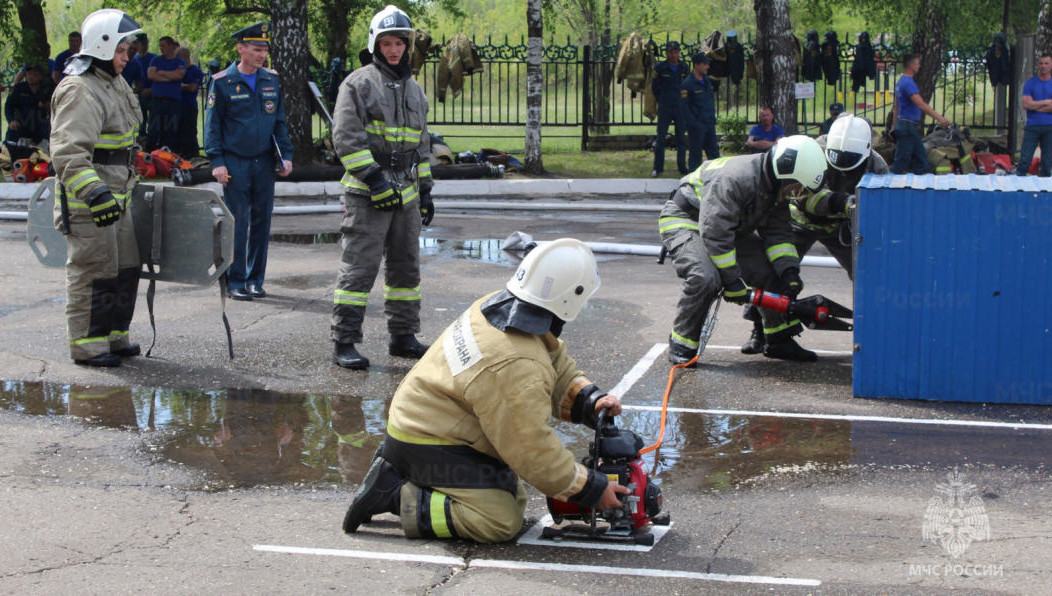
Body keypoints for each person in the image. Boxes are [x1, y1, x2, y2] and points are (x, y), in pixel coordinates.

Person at [342, 238, 631, 543]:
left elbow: (552, 356)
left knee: (512, 494)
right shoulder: (515, 362)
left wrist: (588, 399)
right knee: (499, 520)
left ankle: (407, 474)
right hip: (426, 439)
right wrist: (591, 489)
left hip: (429, 421)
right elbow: (531, 448)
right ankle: (396, 494)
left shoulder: (501, 307)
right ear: (572, 297)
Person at [659, 136, 827, 364]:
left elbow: (778, 234)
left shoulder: (775, 186)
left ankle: (778, 339)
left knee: (770, 273)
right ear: (786, 172)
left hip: (726, 228)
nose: (797, 192)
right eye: (797, 186)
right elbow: (714, 232)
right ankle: (682, 346)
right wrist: (732, 280)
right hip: (686, 219)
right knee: (705, 278)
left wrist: (789, 272)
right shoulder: (737, 178)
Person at [329, 5, 433, 370]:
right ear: (376, 43)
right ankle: (345, 340)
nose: (394, 50)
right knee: (359, 268)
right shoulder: (358, 84)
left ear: (407, 46)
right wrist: (373, 179)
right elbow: (346, 139)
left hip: (405, 193)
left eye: (399, 43)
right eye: (387, 43)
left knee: (406, 270)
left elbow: (421, 145)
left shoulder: (415, 90)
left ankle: (403, 336)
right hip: (366, 194)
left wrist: (425, 190)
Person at [740, 114, 887, 354]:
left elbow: (881, 205)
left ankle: (872, 334)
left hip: (841, 228)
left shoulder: (877, 166)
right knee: (771, 272)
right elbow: (804, 196)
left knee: (868, 274)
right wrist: (843, 202)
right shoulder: (812, 150)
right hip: (800, 221)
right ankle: (760, 331)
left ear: (866, 151)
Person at [49, 8, 144, 367]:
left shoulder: (111, 81)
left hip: (117, 198)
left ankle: (114, 337)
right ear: (102, 46)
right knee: (93, 271)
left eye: (128, 51)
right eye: (122, 51)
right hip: (91, 203)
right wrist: (94, 193)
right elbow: (69, 153)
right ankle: (89, 346)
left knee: (123, 269)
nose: (127, 58)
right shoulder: (80, 89)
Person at [204, 22, 294, 301]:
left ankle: (256, 279)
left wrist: (286, 155)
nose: (261, 55)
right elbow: (212, 126)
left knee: (261, 222)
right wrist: (217, 161)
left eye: (264, 50)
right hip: (235, 162)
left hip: (264, 162)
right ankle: (236, 281)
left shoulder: (271, 79)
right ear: (241, 49)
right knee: (238, 221)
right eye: (256, 49)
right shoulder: (223, 82)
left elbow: (278, 122)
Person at [890, 53, 950, 174]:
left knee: (921, 160)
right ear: (911, 66)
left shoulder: (900, 82)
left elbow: (896, 107)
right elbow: (921, 104)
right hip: (908, 127)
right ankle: (891, 187)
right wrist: (940, 118)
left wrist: (894, 125)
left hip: (906, 126)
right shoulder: (908, 83)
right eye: (918, 64)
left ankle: (919, 185)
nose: (919, 66)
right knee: (901, 162)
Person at [650, 41, 689, 177]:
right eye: (671, 52)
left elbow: (687, 86)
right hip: (665, 107)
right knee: (661, 138)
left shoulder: (684, 67)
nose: (674, 54)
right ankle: (658, 168)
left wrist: (684, 100)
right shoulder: (660, 68)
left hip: (680, 107)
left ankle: (682, 168)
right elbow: (654, 87)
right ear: (667, 53)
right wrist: (662, 98)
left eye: (676, 51)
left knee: (681, 139)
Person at [1014, 54, 1052, 177]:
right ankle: (1018, 186)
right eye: (1041, 63)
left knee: (1047, 162)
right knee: (1025, 159)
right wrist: (1046, 102)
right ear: (1037, 65)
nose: (1043, 66)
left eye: (1046, 63)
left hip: (1049, 126)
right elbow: (1026, 104)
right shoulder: (1030, 83)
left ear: (1051, 65)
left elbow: (1031, 104)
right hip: (1032, 126)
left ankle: (1045, 190)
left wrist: (1034, 105)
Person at [145, 36, 186, 151]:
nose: (161, 48)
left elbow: (179, 75)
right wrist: (171, 78)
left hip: (173, 102)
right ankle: (150, 155)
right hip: (157, 101)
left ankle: (167, 157)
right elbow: (151, 75)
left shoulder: (179, 61)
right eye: (160, 46)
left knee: (171, 132)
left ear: (171, 46)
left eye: (163, 45)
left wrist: (162, 72)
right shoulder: (156, 60)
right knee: (153, 130)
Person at [681, 52, 719, 172]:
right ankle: (692, 180)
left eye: (708, 64)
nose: (707, 67)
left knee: (714, 155)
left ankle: (715, 178)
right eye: (704, 64)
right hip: (697, 126)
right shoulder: (687, 84)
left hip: (709, 123)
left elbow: (710, 101)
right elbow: (684, 107)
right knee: (696, 157)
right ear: (696, 65)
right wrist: (694, 124)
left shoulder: (707, 81)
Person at [3, 63, 51, 147]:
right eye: (29, 74)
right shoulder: (19, 88)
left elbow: (55, 107)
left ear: (41, 77)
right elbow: (8, 106)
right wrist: (11, 120)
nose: (31, 77)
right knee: (12, 135)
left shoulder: (46, 89)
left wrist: (46, 106)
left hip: (41, 125)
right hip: (22, 123)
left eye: (35, 75)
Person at [176, 47, 203, 157]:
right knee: (177, 135)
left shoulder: (195, 71)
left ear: (185, 57)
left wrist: (178, 86)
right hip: (176, 108)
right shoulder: (176, 71)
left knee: (190, 134)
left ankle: (193, 158)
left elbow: (192, 88)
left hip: (189, 107)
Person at [133, 34, 157, 137]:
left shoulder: (154, 58)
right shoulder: (133, 59)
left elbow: (158, 78)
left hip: (153, 94)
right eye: (142, 44)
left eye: (145, 44)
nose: (144, 46)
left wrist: (151, 90)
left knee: (153, 122)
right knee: (140, 120)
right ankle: (141, 140)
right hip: (139, 94)